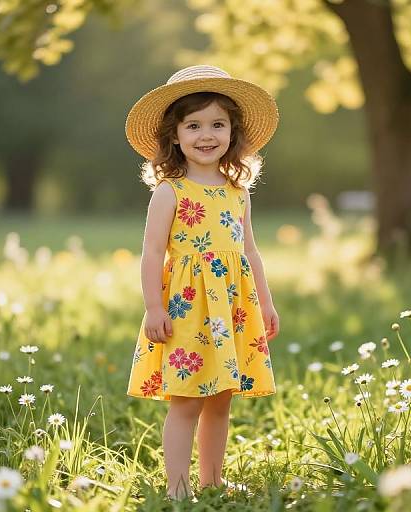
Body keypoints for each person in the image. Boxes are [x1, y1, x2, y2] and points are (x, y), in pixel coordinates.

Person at [125, 65, 280, 500]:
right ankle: (177, 486)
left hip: (231, 306)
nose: (206, 135)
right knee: (188, 398)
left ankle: (212, 480)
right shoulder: (170, 191)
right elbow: (153, 252)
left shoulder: (238, 191)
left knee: (221, 398)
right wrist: (154, 307)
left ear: (233, 133)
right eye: (193, 125)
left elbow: (250, 251)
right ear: (174, 135)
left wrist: (265, 304)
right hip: (188, 307)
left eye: (218, 124)